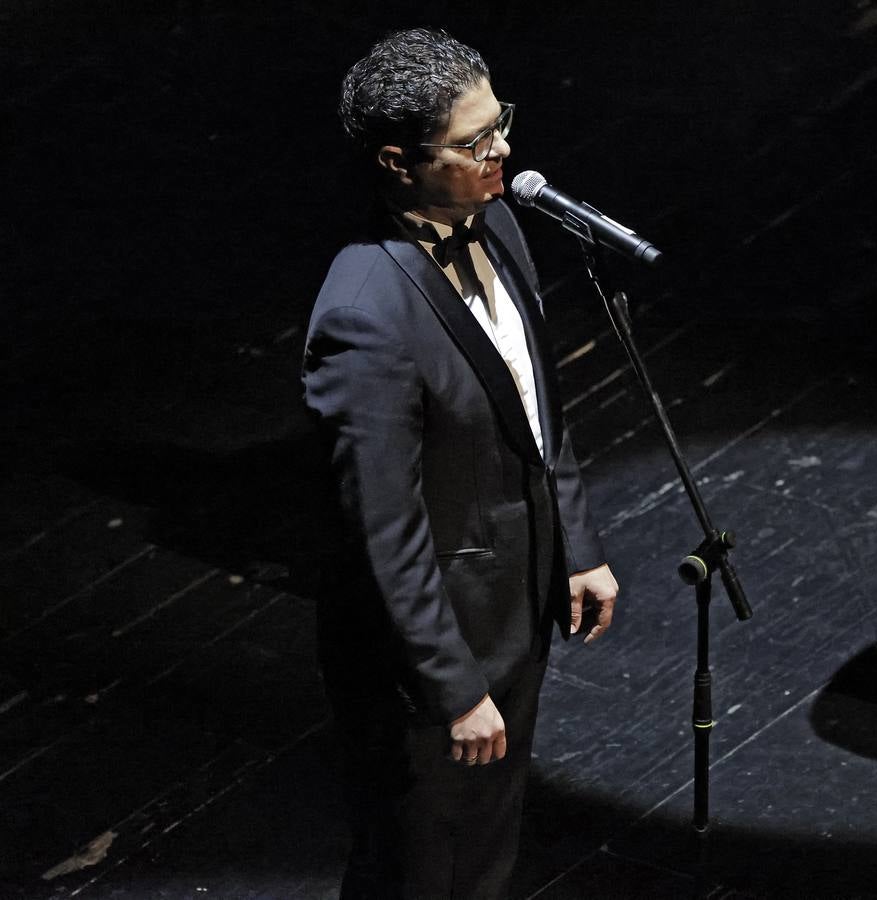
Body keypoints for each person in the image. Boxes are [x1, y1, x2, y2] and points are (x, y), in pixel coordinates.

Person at [301, 28, 619, 898]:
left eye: (499, 123)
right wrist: (450, 687)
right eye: (475, 142)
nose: (503, 150)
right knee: (418, 863)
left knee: (484, 849)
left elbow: (534, 404)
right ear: (398, 163)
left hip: (513, 600)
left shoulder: (500, 221)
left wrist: (576, 543)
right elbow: (383, 531)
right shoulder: (365, 314)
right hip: (434, 650)